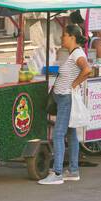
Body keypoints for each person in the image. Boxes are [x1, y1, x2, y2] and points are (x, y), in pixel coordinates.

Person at [39, 25, 92, 185]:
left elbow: (87, 70)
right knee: (71, 135)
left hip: (66, 99)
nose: (62, 38)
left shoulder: (77, 54)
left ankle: (57, 173)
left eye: (65, 35)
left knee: (58, 134)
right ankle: (73, 170)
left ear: (72, 37)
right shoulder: (74, 53)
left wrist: (74, 84)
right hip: (64, 98)